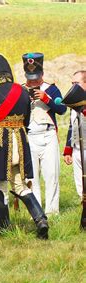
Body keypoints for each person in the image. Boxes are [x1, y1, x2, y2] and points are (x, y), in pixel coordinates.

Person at [0, 52, 49, 239]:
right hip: (19, 141)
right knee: (19, 184)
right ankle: (40, 219)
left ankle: (2, 229)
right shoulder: (22, 91)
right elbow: (26, 119)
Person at [22, 52, 67, 215]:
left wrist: (46, 98)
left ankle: (52, 212)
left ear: (41, 73)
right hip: (29, 136)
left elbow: (62, 109)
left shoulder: (52, 89)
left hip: (48, 135)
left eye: (35, 77)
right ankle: (37, 212)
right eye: (30, 77)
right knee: (31, 178)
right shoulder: (21, 90)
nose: (32, 81)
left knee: (52, 175)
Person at [63, 70, 86, 198]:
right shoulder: (74, 103)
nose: (73, 86)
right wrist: (68, 150)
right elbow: (72, 127)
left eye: (76, 83)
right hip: (77, 149)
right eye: (72, 83)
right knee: (80, 187)